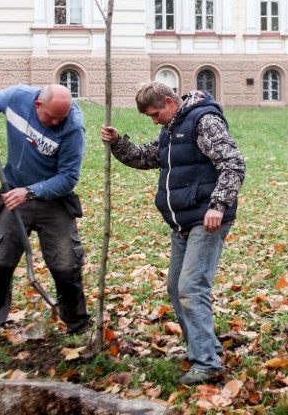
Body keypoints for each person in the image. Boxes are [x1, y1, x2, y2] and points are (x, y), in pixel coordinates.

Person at [101, 82, 246, 385]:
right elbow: (145, 157)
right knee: (176, 290)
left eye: (155, 114)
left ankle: (207, 365)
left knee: (191, 289)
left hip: (206, 220)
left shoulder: (204, 121)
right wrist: (117, 143)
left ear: (169, 102)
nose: (154, 120)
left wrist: (218, 205)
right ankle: (204, 349)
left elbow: (233, 163)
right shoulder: (171, 127)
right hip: (182, 222)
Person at [0, 84, 90, 356]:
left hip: (53, 201)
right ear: (38, 105)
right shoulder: (18, 98)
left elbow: (69, 177)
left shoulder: (73, 126)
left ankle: (78, 325)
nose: (57, 122)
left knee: (66, 265)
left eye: (62, 116)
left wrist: (31, 192)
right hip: (14, 194)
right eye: (51, 117)